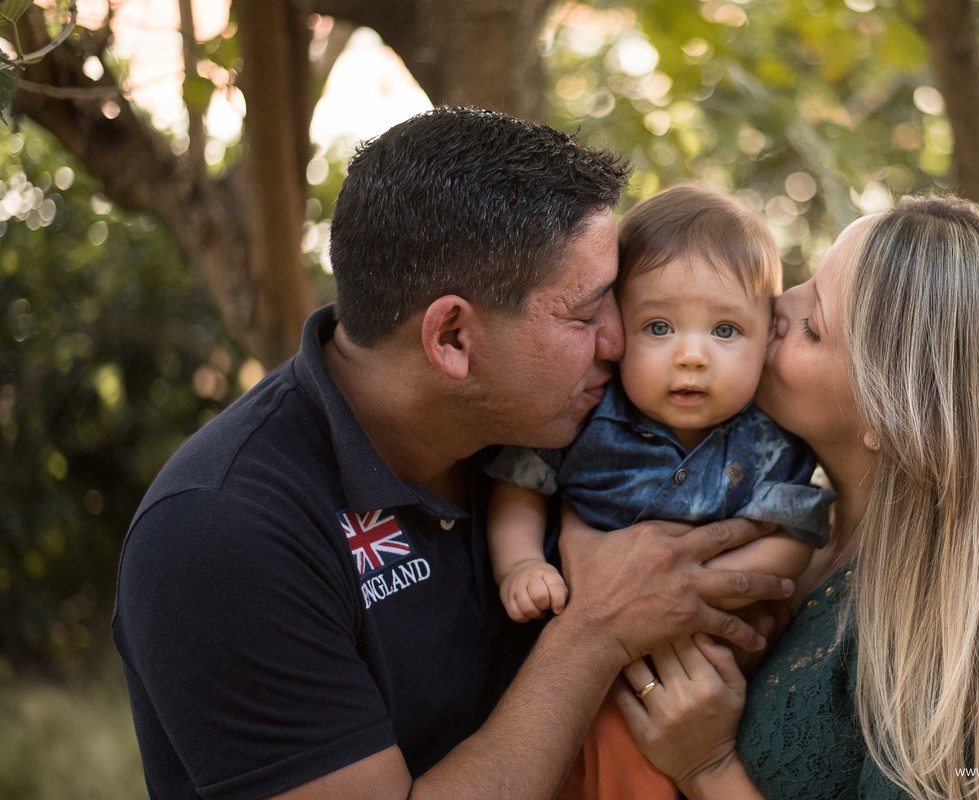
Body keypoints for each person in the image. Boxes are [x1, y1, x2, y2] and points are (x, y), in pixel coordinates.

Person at [111, 107, 796, 800]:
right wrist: (597, 630)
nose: (619, 343)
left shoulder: (548, 423)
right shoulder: (221, 534)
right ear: (453, 340)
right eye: (585, 316)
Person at [608, 195, 979, 800]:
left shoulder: (947, 666)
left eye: (812, 326)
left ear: (894, 415)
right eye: (805, 283)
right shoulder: (783, 517)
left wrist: (708, 769)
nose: (778, 304)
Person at [485, 184, 835, 800]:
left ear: (766, 335)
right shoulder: (587, 411)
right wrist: (520, 564)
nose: (692, 356)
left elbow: (791, 536)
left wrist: (700, 589)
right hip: (585, 655)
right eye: (660, 327)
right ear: (617, 328)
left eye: (726, 330)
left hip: (706, 650)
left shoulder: (772, 438)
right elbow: (522, 485)